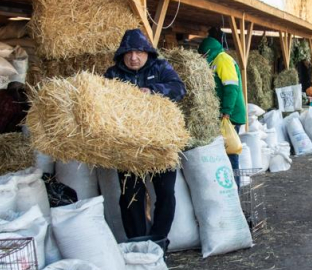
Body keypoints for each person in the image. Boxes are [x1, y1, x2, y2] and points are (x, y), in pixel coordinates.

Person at [105, 28, 186, 246]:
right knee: (131, 197)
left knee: (166, 193)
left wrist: (152, 90)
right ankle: (138, 241)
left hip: (160, 143)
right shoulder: (113, 75)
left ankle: (159, 239)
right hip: (129, 146)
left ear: (147, 52)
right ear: (122, 54)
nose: (134, 57)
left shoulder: (159, 67)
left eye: (139, 52)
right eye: (129, 52)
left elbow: (179, 89)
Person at [197, 36, 246, 172]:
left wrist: (226, 111)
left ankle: (234, 189)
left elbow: (231, 87)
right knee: (224, 153)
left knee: (230, 152)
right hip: (226, 113)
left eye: (203, 54)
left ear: (208, 51)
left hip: (231, 115)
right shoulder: (216, 59)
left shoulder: (222, 59)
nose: (202, 57)